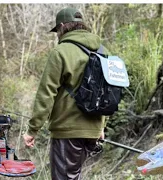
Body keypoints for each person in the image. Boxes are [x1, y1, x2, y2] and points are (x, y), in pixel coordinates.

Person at [23, 7, 108, 180]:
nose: (57, 35)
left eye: (57, 30)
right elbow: (105, 92)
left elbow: (46, 93)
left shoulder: (61, 52)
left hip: (67, 131)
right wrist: (101, 126)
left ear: (62, 26)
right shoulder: (103, 51)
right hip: (93, 132)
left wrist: (32, 130)